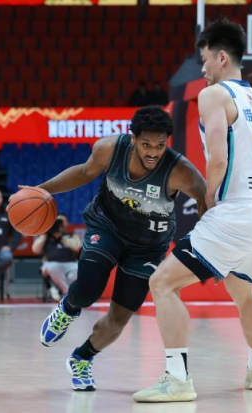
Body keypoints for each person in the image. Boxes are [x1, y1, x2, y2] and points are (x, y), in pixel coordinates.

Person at [133, 19, 252, 402]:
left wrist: (208, 198)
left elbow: (217, 157)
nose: (203, 68)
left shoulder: (213, 95)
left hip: (235, 213)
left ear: (222, 57)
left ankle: (177, 379)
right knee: (243, 292)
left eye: (205, 59)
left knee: (162, 283)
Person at [28, 106, 207, 391]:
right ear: (133, 138)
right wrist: (42, 190)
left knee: (119, 319)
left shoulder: (180, 170)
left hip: (148, 246)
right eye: (146, 144)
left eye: (160, 145)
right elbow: (84, 172)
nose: (153, 152)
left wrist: (211, 242)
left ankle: (82, 358)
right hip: (107, 227)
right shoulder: (110, 149)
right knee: (87, 290)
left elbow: (205, 197)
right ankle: (68, 309)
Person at [32, 214, 81, 301]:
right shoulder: (45, 236)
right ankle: (68, 295)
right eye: (58, 222)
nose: (60, 225)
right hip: (50, 264)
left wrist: (61, 238)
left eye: (63, 222)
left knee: (78, 270)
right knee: (54, 267)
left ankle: (60, 291)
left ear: (66, 224)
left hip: (70, 263)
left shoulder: (71, 236)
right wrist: (46, 234)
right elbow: (35, 250)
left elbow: (77, 247)